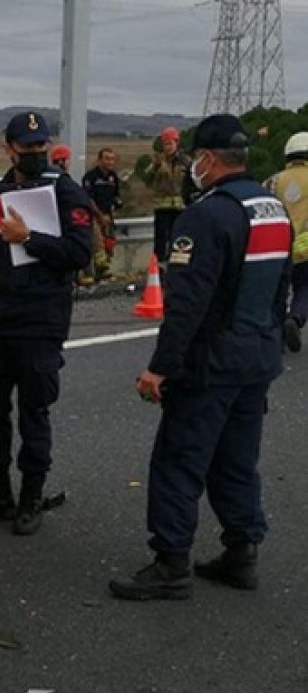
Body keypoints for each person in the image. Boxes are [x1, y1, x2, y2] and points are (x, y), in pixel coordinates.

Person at [109, 114, 292, 600]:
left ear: (208, 159)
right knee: (236, 458)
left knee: (179, 459)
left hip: (212, 361)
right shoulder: (272, 208)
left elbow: (186, 305)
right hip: (257, 355)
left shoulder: (207, 216)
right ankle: (241, 552)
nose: (192, 165)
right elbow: (282, 290)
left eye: (195, 157)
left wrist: (160, 367)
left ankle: (171, 563)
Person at [0, 111, 93, 536]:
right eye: (27, 147)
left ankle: (31, 496)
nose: (35, 154)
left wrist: (30, 239)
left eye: (41, 147)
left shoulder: (65, 192)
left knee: (34, 413)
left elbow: (78, 253)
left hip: (39, 325)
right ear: (9, 149)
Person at [263, 131, 308, 352]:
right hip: (307, 248)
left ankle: (276, 337)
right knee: (305, 288)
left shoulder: (273, 180)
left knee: (278, 291)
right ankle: (297, 318)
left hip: (279, 246)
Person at [149, 127, 194, 268]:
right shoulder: (158, 161)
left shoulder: (185, 161)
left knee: (180, 239)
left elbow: (192, 181)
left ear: (177, 143)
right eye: (165, 144)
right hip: (162, 207)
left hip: (181, 208)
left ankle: (178, 267)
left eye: (170, 143)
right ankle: (159, 269)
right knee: (161, 240)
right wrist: (155, 167)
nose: (168, 147)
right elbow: (147, 178)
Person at [82, 147, 122, 281]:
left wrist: (116, 206)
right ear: (99, 160)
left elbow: (117, 196)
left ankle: (104, 272)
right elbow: (88, 199)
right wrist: (99, 215)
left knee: (109, 243)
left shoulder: (113, 177)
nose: (110, 162)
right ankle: (91, 273)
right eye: (107, 159)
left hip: (108, 215)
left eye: (112, 159)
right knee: (97, 243)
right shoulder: (90, 177)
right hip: (94, 215)